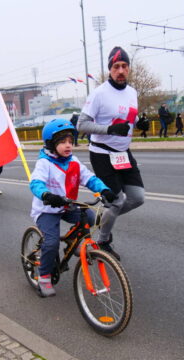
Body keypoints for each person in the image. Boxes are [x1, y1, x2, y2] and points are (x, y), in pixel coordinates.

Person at [29, 119, 117, 297]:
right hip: (47, 209)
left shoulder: (74, 161)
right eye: (62, 142)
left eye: (70, 141)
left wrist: (104, 190)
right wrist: (46, 195)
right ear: (51, 144)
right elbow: (36, 183)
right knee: (51, 243)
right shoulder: (44, 163)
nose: (68, 145)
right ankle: (44, 277)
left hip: (67, 205)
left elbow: (89, 179)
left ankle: (76, 244)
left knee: (91, 219)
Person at [77, 46, 145, 260]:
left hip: (123, 153)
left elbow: (129, 117)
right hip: (102, 154)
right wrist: (109, 129)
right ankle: (103, 241)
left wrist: (139, 122)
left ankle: (105, 216)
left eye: (124, 66)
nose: (121, 70)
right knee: (116, 201)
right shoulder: (99, 94)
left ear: (129, 68)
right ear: (110, 70)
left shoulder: (133, 92)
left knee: (137, 198)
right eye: (116, 67)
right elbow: (81, 125)